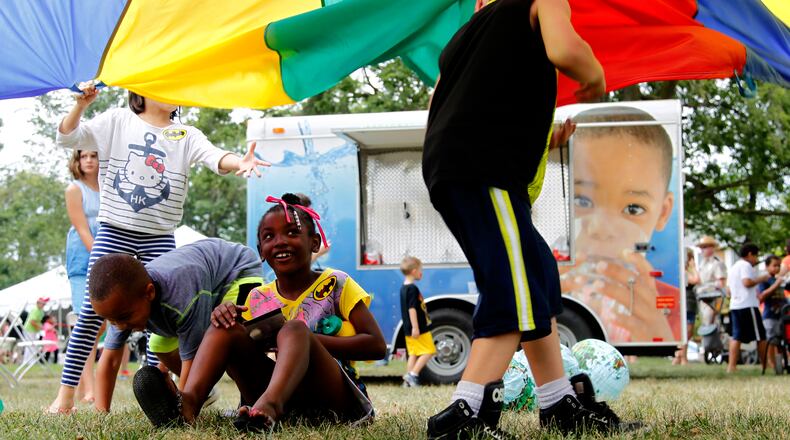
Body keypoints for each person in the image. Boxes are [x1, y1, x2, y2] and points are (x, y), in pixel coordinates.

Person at [422, 0, 627, 437]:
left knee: (535, 274)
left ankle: (558, 403)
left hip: (458, 167)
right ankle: (466, 414)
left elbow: (436, 99)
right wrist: (594, 77)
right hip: (484, 169)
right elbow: (566, 50)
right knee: (511, 295)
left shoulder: (465, 37)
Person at [48, 84, 269, 414]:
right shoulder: (118, 120)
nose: (172, 89)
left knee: (159, 311)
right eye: (162, 83)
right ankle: (65, 397)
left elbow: (214, 157)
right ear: (141, 90)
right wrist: (80, 105)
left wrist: (238, 162)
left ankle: (164, 387)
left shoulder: (185, 134)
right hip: (114, 230)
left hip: (159, 236)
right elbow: (68, 137)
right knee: (92, 314)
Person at [130, 193, 386, 430]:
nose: (280, 242)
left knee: (294, 329)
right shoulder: (258, 297)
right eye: (268, 237)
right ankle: (187, 405)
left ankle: (270, 407)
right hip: (283, 396)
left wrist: (307, 341)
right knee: (224, 325)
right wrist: (226, 316)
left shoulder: (336, 283)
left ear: (315, 242)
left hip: (333, 397)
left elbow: (376, 346)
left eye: (292, 233)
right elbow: (244, 358)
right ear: (261, 252)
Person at [86, 238, 264, 414]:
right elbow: (109, 361)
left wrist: (184, 409)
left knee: (227, 331)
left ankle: (251, 402)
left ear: (149, 293)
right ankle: (205, 391)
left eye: (124, 318)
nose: (121, 326)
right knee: (159, 345)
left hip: (237, 273)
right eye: (112, 320)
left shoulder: (181, 298)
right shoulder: (122, 307)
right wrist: (101, 412)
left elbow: (191, 358)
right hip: (202, 285)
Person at [560, 105, 679, 343]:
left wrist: (658, 333)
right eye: (581, 200)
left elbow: (667, 341)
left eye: (633, 208)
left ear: (663, 212)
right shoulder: (542, 287)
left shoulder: (667, 306)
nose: (602, 229)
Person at [64, 148, 102, 402]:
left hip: (105, 260)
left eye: (93, 155)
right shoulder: (74, 189)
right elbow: (82, 228)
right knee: (85, 321)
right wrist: (101, 257)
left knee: (102, 325)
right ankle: (89, 389)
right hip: (83, 260)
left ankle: (79, 381)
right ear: (77, 161)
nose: (88, 160)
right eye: (83, 156)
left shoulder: (109, 188)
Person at [726, 243, 787, 373]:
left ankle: (731, 366)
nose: (756, 259)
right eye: (756, 255)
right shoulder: (746, 265)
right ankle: (766, 365)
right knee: (761, 336)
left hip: (735, 305)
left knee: (736, 336)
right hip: (748, 305)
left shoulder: (733, 267)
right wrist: (762, 278)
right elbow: (747, 282)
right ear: (749, 254)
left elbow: (728, 291)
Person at [399, 256, 436, 388]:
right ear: (414, 271)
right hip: (419, 328)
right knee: (429, 351)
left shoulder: (404, 287)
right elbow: (412, 309)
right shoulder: (412, 288)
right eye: (421, 270)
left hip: (408, 329)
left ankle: (407, 381)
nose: (422, 272)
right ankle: (413, 375)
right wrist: (416, 327)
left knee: (413, 354)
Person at [758, 255, 788, 370]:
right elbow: (762, 296)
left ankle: (781, 363)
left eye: (779, 266)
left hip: (782, 316)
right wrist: (776, 284)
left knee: (782, 341)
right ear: (767, 266)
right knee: (771, 340)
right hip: (769, 316)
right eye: (774, 265)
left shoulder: (779, 280)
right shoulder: (765, 280)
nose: (777, 268)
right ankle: (771, 363)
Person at [674, 248, 700, 365]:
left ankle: (679, 356)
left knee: (686, 332)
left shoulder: (683, 272)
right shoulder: (684, 272)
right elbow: (697, 280)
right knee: (686, 331)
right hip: (687, 303)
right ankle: (682, 357)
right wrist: (694, 267)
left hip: (688, 303)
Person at [22, 297, 48, 363]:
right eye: (42, 304)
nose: (43, 305)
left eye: (44, 304)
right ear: (38, 303)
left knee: (33, 345)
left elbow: (37, 321)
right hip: (29, 330)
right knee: (30, 345)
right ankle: (27, 361)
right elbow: (32, 321)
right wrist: (40, 327)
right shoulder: (35, 310)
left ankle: (30, 360)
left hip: (34, 331)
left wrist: (40, 327)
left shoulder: (41, 311)